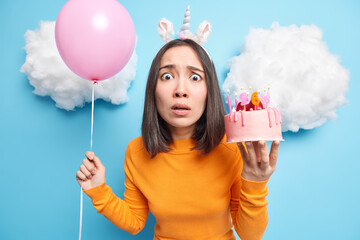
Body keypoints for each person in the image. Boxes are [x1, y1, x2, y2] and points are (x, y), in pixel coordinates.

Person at [76, 39, 280, 240]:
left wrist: (256, 183)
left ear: (209, 91)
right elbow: (135, 221)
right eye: (166, 76)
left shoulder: (232, 147)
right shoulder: (137, 151)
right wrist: (98, 190)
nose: (180, 90)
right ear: (152, 90)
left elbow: (250, 235)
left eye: (195, 78)